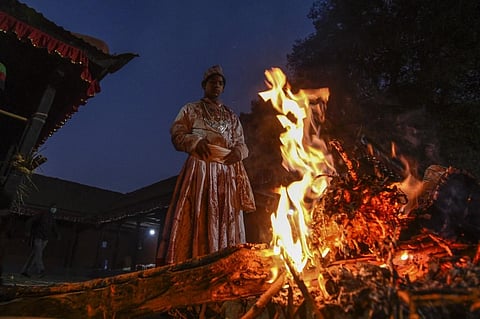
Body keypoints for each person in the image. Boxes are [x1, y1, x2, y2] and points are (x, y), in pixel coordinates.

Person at [156, 65, 256, 266]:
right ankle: (195, 260)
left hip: (227, 171)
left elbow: (241, 143)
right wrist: (194, 141)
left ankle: (226, 263)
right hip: (200, 168)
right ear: (204, 85)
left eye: (220, 83)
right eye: (212, 82)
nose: (216, 86)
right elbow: (177, 134)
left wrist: (239, 152)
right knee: (199, 212)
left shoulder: (231, 116)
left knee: (227, 215)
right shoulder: (190, 109)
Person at [21, 203, 60, 277]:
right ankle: (41, 270)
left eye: (55, 208)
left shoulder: (52, 218)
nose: (55, 209)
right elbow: (30, 221)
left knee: (35, 254)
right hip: (38, 237)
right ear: (50, 208)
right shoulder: (42, 214)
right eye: (54, 207)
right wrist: (27, 231)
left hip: (45, 239)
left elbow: (54, 227)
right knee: (38, 254)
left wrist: (57, 234)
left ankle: (25, 271)